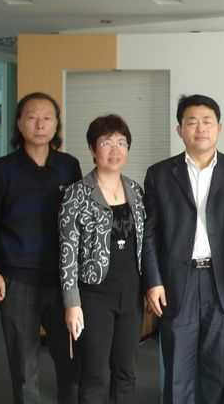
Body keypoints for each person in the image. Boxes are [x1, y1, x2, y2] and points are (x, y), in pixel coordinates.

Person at [0, 92, 81, 404]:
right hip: (17, 280)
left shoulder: (68, 166)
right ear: (19, 123)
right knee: (23, 364)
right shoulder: (2, 170)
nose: (39, 124)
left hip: (63, 281)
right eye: (31, 117)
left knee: (71, 360)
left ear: (56, 124)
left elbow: (80, 222)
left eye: (47, 118)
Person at [143, 94, 224, 404]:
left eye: (207, 121)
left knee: (220, 371)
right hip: (178, 283)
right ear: (180, 130)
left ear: (219, 128)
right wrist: (153, 281)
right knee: (177, 370)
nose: (200, 128)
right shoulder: (160, 173)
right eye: (191, 122)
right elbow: (149, 234)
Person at [59, 114, 145, 404]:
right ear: (93, 149)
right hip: (94, 296)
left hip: (131, 294)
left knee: (127, 372)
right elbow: (67, 254)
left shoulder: (135, 190)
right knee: (95, 374)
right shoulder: (76, 194)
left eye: (121, 142)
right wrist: (72, 304)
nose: (115, 150)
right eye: (106, 142)